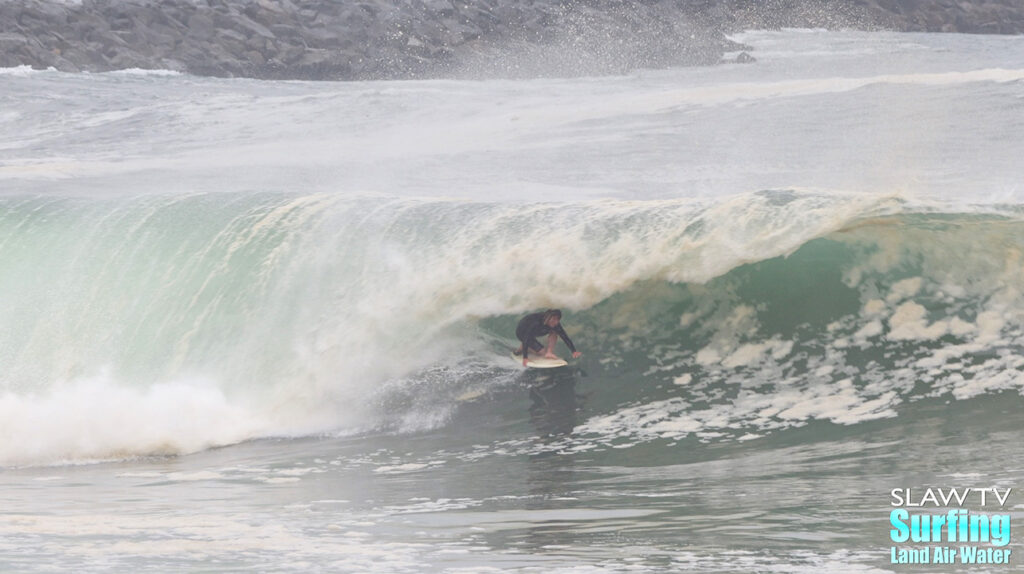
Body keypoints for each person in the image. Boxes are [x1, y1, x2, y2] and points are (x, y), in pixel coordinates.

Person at [514, 309, 582, 367]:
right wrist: (525, 357)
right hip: (522, 332)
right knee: (542, 352)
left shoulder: (555, 324)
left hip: (534, 333)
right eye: (554, 319)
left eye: (558, 319)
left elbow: (564, 336)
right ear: (549, 317)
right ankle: (522, 348)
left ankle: (549, 352)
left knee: (554, 332)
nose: (556, 322)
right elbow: (526, 337)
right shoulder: (536, 322)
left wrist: (573, 351)